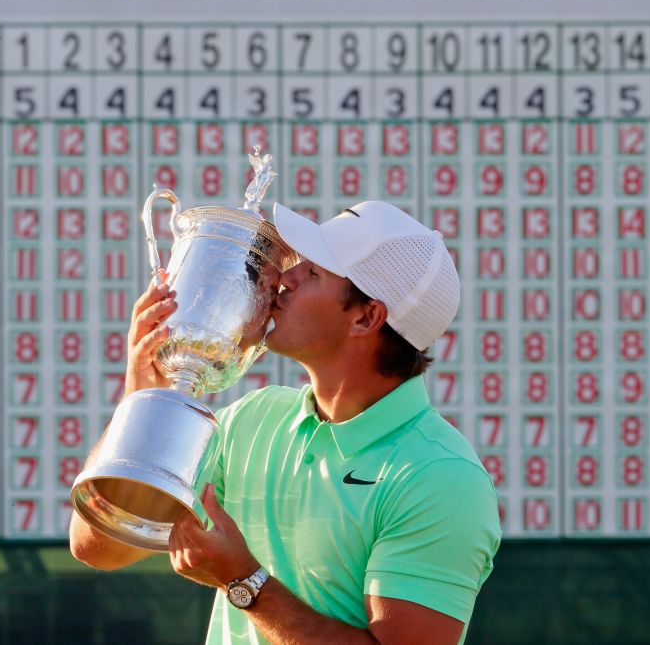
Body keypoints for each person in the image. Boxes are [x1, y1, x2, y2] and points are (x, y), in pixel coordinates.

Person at [70, 200, 502, 645]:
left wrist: (243, 580)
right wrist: (145, 397)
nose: (283, 278)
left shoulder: (442, 478)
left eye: (311, 272)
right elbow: (98, 544)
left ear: (366, 316)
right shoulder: (252, 420)